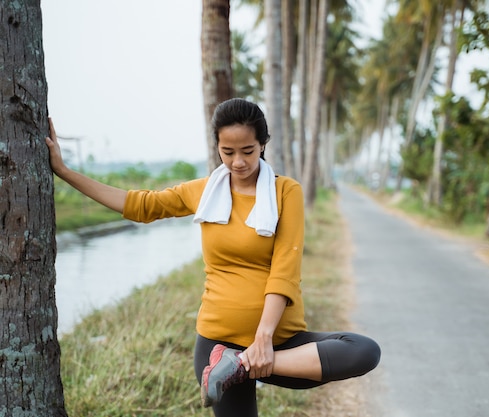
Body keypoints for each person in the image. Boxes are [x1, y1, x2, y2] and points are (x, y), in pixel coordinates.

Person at [46, 98, 381, 417]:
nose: (238, 162)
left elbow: (285, 270)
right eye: (228, 152)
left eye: (248, 151)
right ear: (217, 147)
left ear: (263, 143)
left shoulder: (285, 192)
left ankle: (238, 365)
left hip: (278, 344)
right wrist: (64, 171)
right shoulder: (205, 192)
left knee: (362, 350)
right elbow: (139, 205)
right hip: (216, 345)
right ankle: (230, 364)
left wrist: (263, 341)